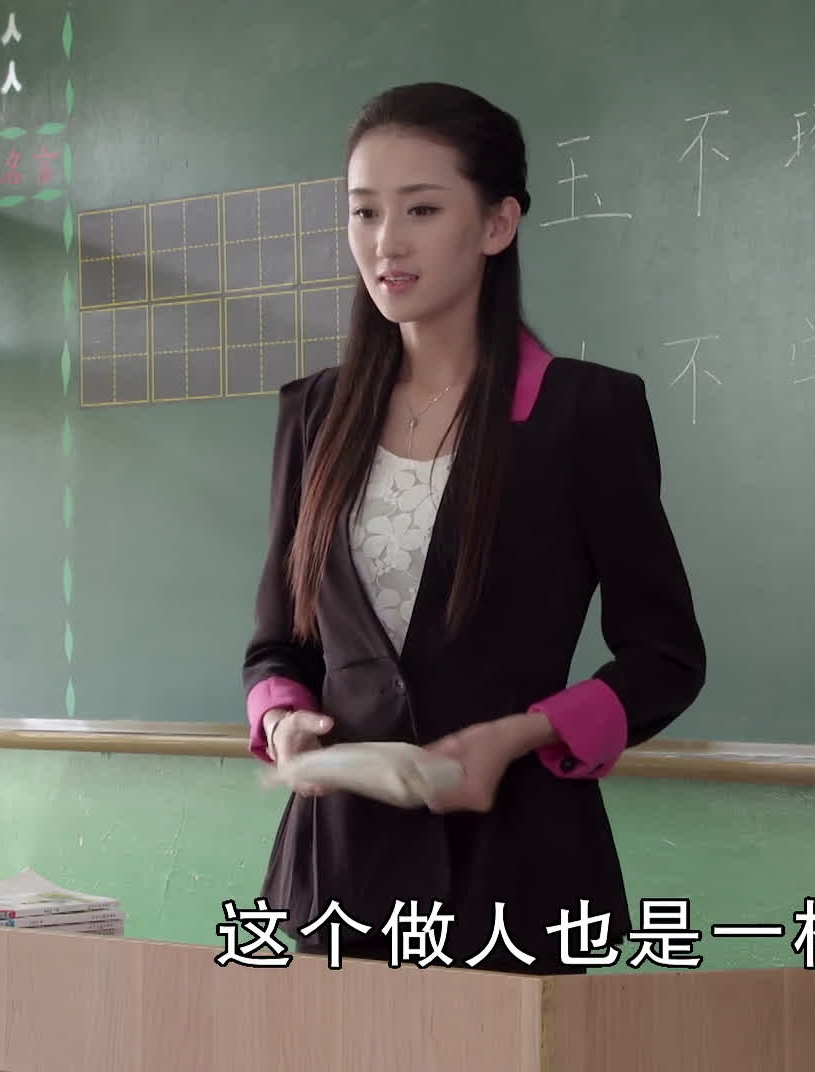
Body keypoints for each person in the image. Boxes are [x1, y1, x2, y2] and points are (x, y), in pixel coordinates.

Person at [241, 82, 706, 976]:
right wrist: (286, 720)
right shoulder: (314, 417)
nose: (387, 241)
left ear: (497, 223)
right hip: (338, 880)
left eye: (421, 209)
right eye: (365, 212)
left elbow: (666, 658)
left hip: (516, 874)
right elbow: (277, 649)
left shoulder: (584, 414)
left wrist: (522, 735)